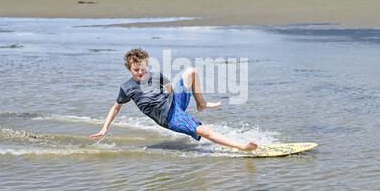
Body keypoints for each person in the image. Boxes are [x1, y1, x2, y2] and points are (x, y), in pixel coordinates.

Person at [90, 48, 258, 152]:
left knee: (191, 71)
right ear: (129, 69)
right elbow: (116, 107)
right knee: (203, 131)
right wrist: (105, 128)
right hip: (169, 117)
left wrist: (177, 97)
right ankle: (242, 147)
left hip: (174, 102)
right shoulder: (127, 88)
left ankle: (201, 103)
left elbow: (169, 86)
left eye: (142, 68)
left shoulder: (155, 76)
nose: (140, 72)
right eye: (136, 70)